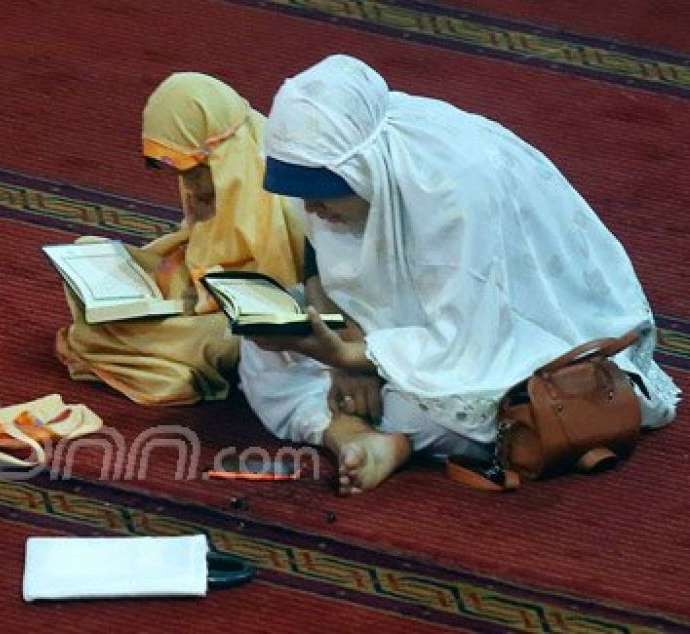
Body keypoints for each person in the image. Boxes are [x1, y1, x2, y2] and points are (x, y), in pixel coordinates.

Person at [239, 55, 680, 494]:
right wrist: (342, 336)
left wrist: (345, 356)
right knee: (258, 347)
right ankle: (349, 435)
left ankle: (370, 429)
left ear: (365, 171)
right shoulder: (332, 160)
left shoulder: (456, 192)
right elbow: (320, 259)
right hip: (386, 338)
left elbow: (472, 346)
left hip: (511, 336)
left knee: (466, 421)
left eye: (323, 196)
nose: (312, 209)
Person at [55, 72, 305, 405]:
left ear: (215, 152)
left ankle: (136, 348)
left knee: (219, 341)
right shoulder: (213, 164)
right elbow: (199, 247)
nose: (188, 184)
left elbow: (281, 295)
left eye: (192, 171)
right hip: (197, 286)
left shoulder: (278, 188)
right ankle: (139, 344)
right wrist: (176, 281)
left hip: (243, 314)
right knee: (88, 253)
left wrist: (199, 299)